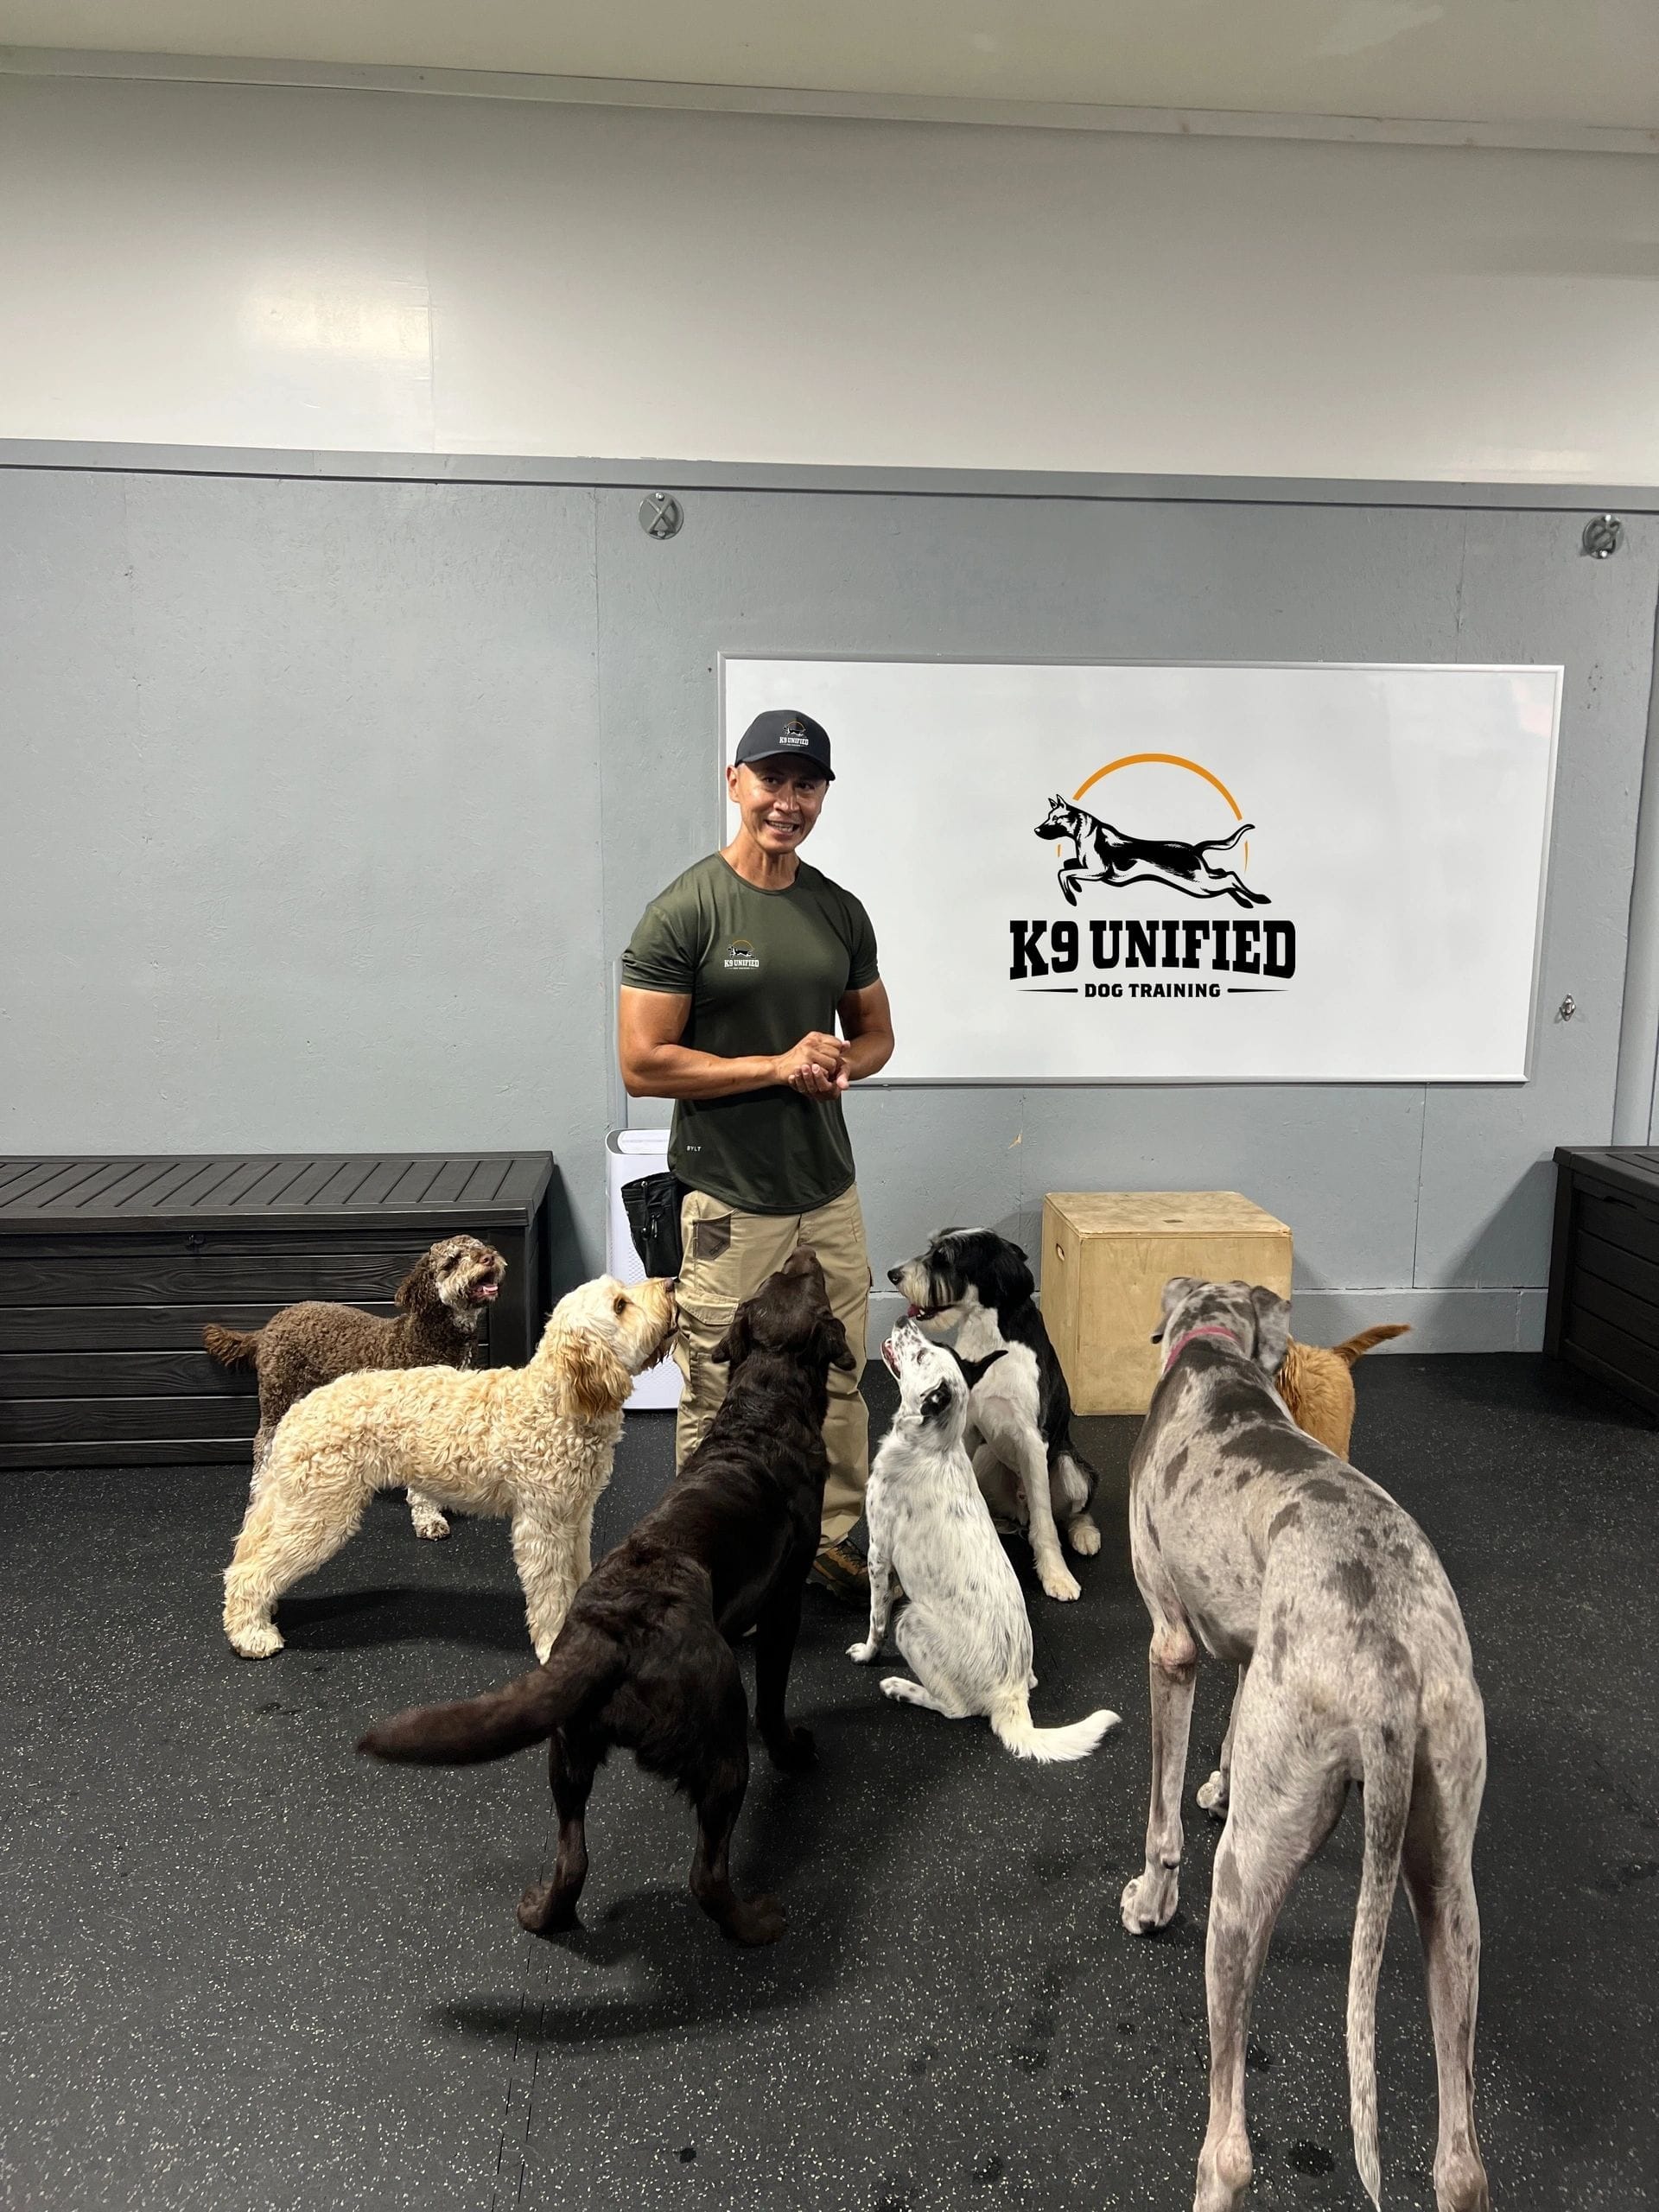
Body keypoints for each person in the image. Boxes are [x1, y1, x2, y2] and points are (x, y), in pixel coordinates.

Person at [618, 709, 894, 1598]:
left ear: (823, 796)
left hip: (828, 1190)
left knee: (839, 1375)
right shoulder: (686, 910)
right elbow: (642, 1062)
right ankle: (708, 1557)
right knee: (720, 1387)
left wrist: (843, 1063)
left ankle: (831, 1539)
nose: (787, 801)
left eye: (806, 785)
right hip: (730, 1200)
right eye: (771, 780)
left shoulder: (838, 910)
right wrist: (775, 1065)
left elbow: (877, 1034)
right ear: (734, 781)